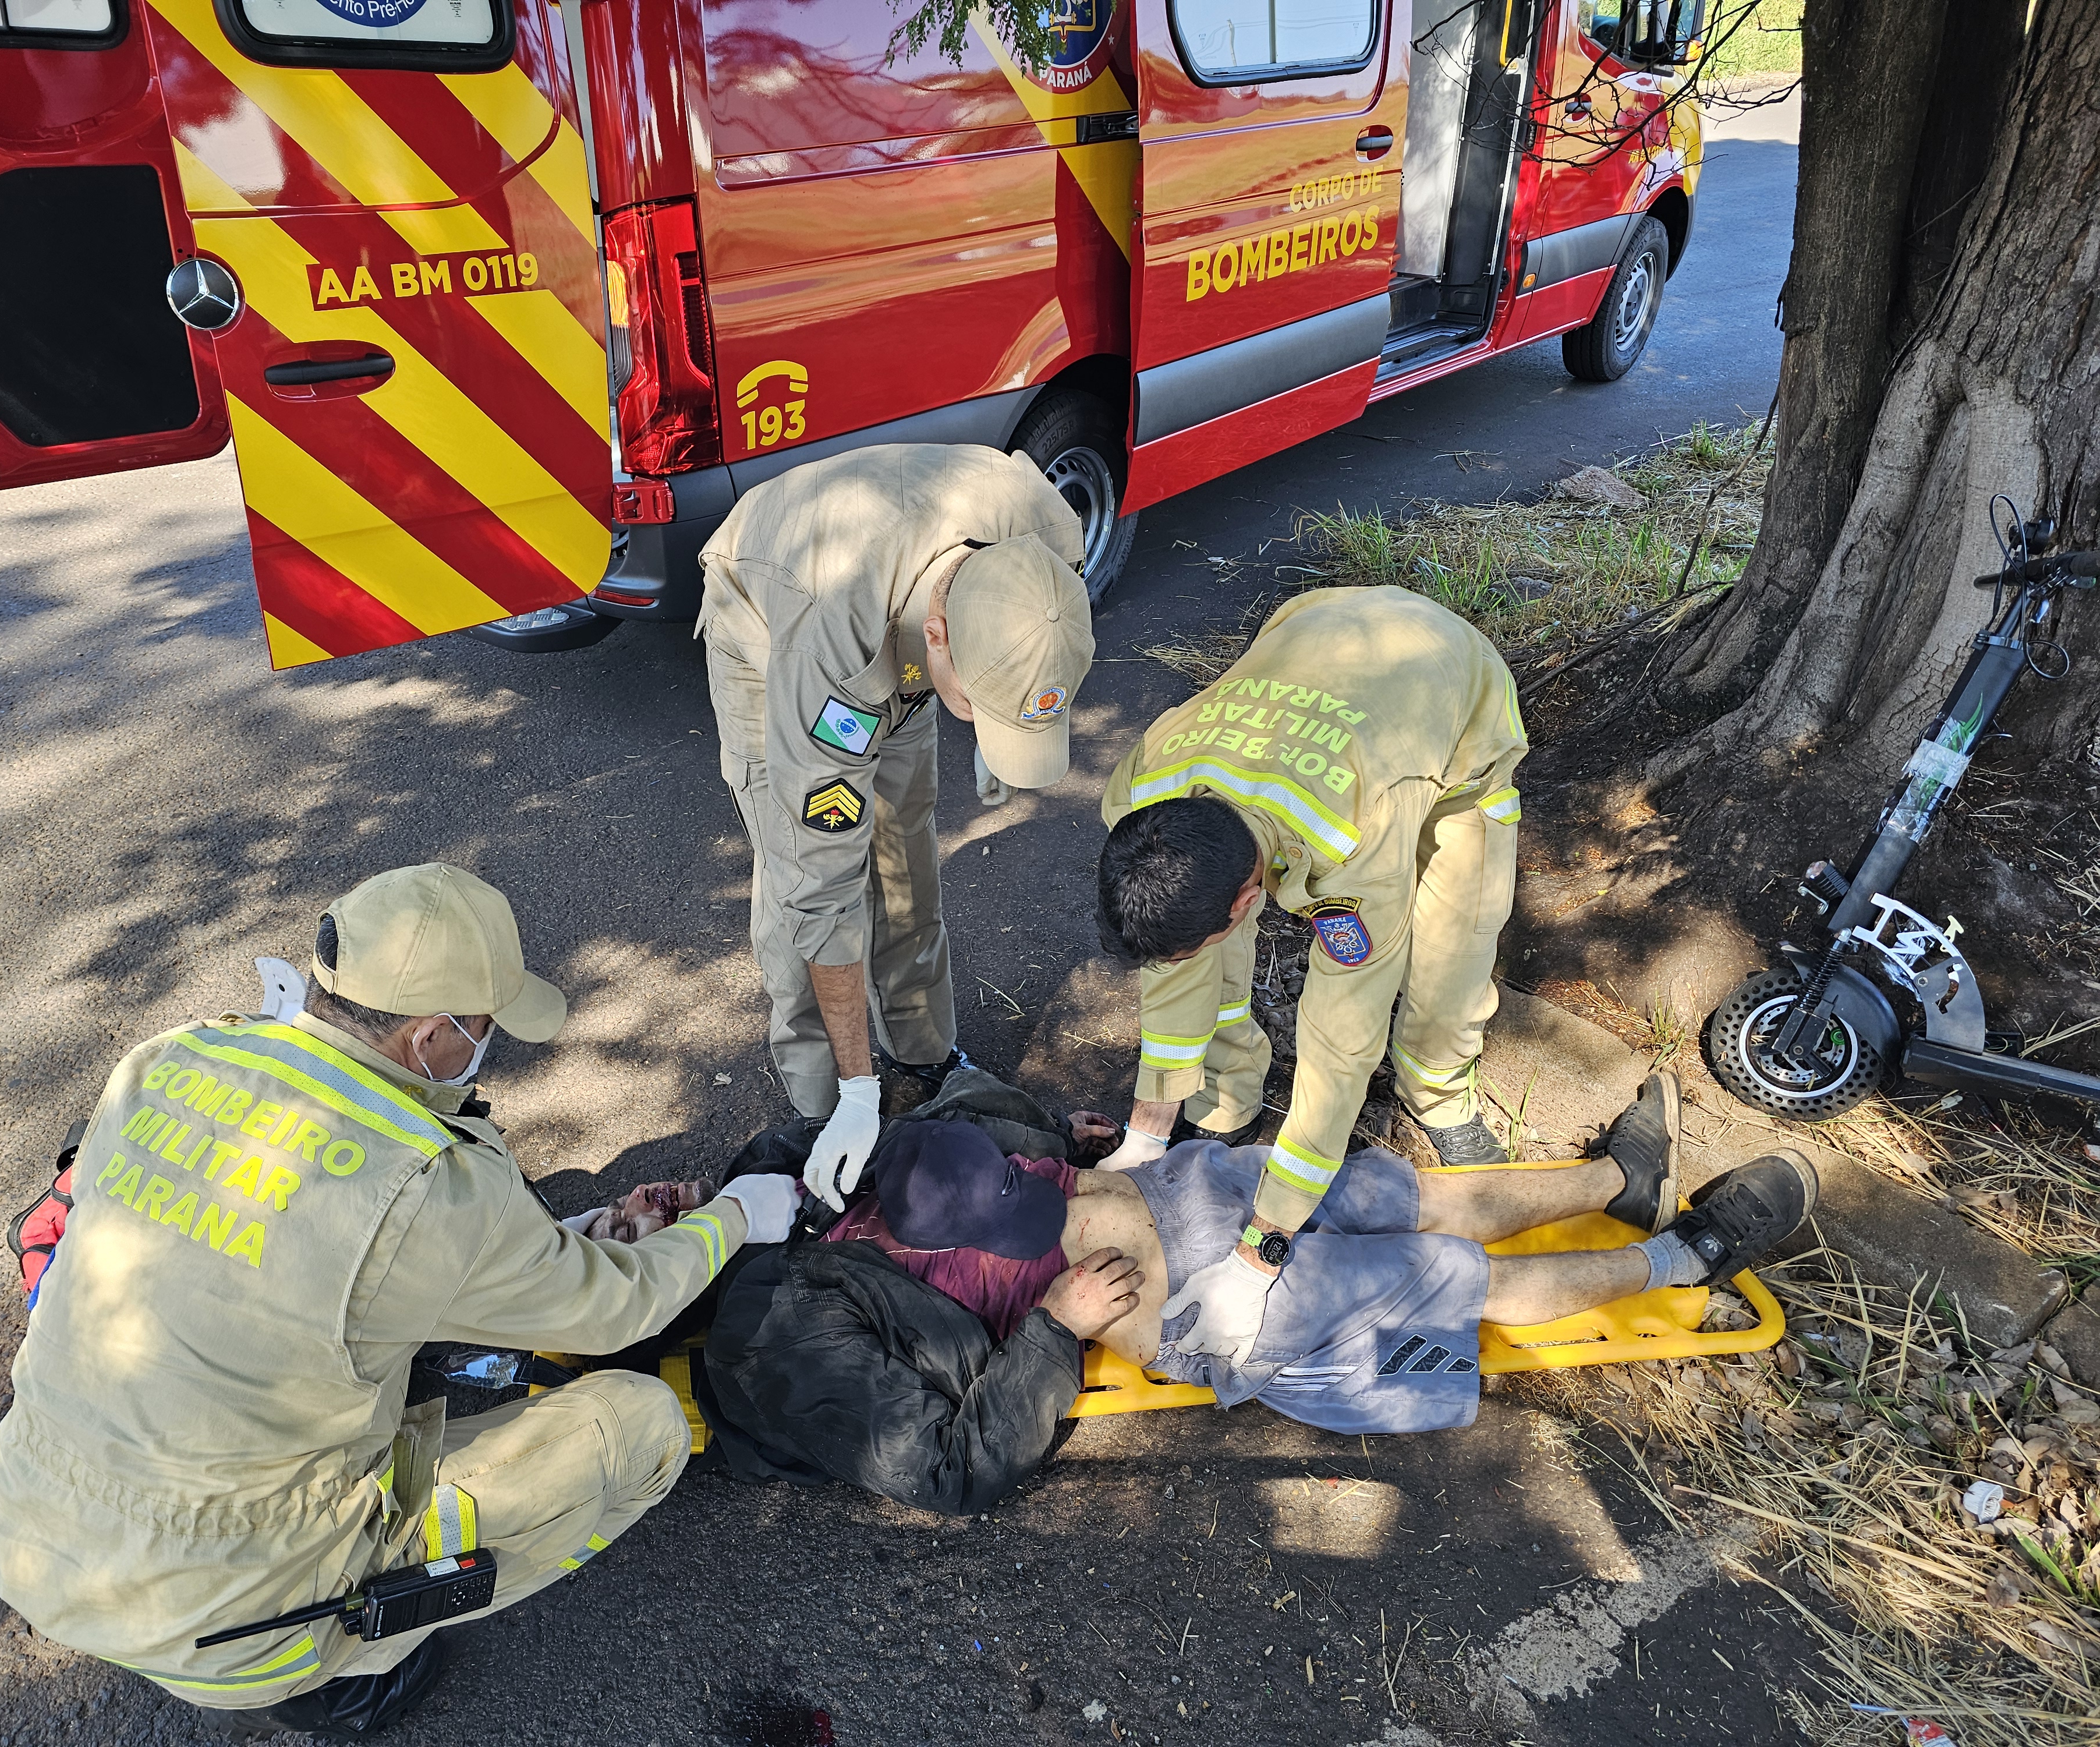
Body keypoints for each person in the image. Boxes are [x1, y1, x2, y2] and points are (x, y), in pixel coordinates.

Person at [0, 864, 803, 1741]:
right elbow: (613, 1313)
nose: (488, 1047)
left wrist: (562, 1234)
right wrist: (734, 1220)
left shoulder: (173, 1059)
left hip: (26, 1531)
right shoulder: (431, 1180)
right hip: (228, 1615)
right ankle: (341, 1663)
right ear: (433, 1038)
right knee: (643, 1426)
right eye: (484, 1030)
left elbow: (315, 1262)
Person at [702, 1074, 1818, 1504]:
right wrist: (1050, 1329)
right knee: (1431, 1280)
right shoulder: (768, 1330)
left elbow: (975, 1144)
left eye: (619, 1208)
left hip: (1184, 1190)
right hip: (1191, 1302)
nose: (638, 1207)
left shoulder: (798, 1170)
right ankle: (1691, 1258)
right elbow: (952, 1468)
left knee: (1391, 1195)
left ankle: (1619, 1182)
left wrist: (1059, 1141)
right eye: (616, 1239)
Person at [1093, 583, 1529, 1365]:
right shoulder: (1146, 785)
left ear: (1251, 902)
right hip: (1316, 631)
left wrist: (1263, 1252)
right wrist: (1144, 1136)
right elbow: (1174, 966)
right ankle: (1225, 1095)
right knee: (1186, 952)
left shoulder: (1356, 832)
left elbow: (1340, 1044)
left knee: (1450, 952)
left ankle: (1440, 1089)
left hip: (1451, 706)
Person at [696, 443, 1096, 1213]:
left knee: (906, 852)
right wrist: (856, 1089)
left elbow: (1042, 646)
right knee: (799, 881)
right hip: (768, 612)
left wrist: (1001, 718)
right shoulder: (833, 648)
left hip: (910, 620)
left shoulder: (1048, 547)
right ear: (938, 639)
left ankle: (926, 1051)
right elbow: (825, 886)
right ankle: (823, 1106)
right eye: (978, 704)